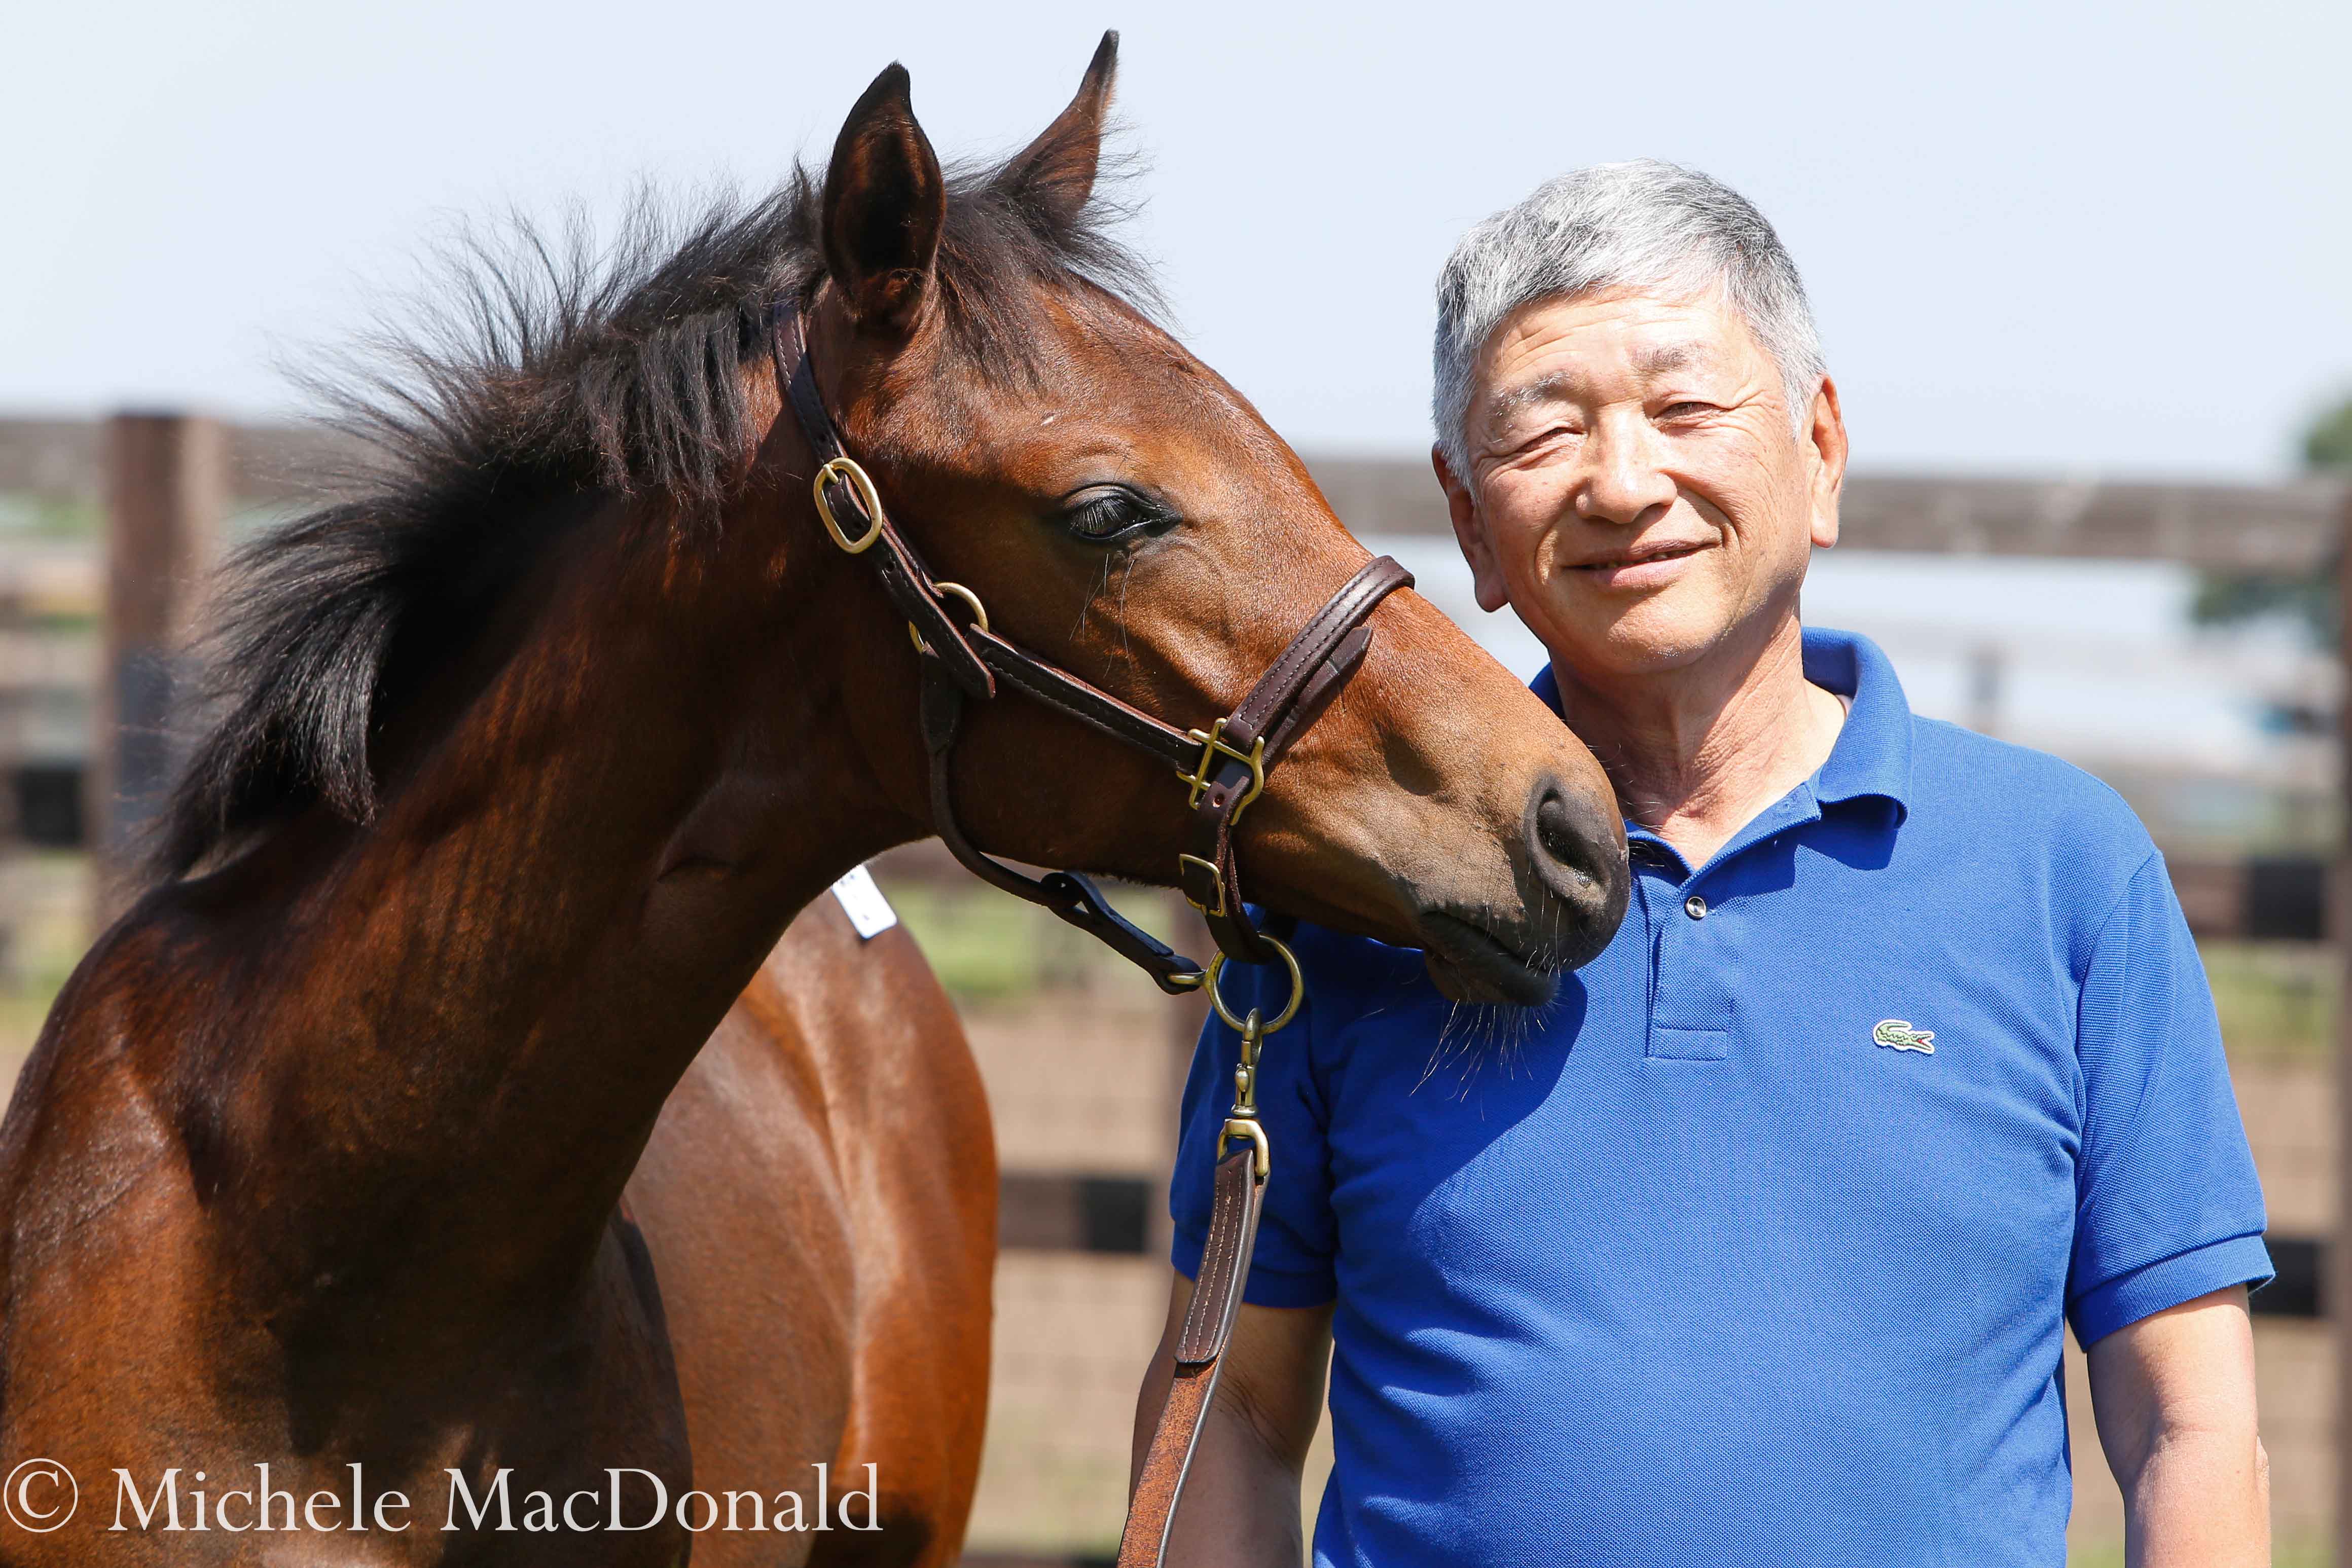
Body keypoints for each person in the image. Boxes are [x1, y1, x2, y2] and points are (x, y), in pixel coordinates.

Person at [1131, 160, 2270, 1567]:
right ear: (1471, 521)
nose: (1623, 482)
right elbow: (1230, 1415)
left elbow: (2191, 1425)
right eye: (1544, 431)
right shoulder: (1349, 905)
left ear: (1822, 451)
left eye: (1685, 408)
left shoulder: (2064, 875)